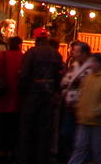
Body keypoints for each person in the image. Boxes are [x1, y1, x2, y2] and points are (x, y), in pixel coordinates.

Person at [18, 27, 64, 164]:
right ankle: (42, 158)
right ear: (47, 38)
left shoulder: (31, 54)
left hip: (32, 97)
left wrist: (23, 93)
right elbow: (59, 77)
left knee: (27, 129)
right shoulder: (56, 55)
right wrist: (55, 92)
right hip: (48, 97)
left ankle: (25, 158)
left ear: (36, 39)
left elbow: (24, 75)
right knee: (45, 131)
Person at [67, 53, 101, 164]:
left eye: (93, 62)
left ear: (99, 63)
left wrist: (98, 111)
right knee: (80, 148)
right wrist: (80, 109)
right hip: (85, 119)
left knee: (98, 150)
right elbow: (82, 94)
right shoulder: (89, 78)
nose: (91, 65)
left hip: (99, 122)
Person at [0, 35, 23, 161]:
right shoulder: (23, 58)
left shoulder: (1, 56)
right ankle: (9, 154)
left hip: (0, 102)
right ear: (20, 45)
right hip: (16, 102)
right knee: (12, 131)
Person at [59, 41, 92, 161]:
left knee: (78, 136)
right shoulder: (74, 65)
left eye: (76, 51)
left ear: (83, 53)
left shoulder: (90, 68)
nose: (73, 53)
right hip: (70, 105)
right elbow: (65, 81)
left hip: (81, 107)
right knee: (66, 134)